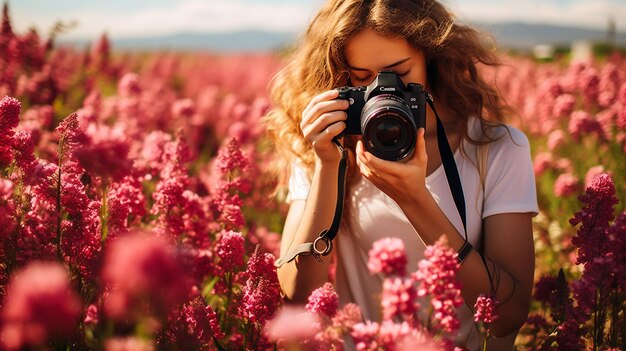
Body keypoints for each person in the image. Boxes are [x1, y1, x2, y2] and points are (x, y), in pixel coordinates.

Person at [263, 0, 538, 349]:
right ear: (342, 81)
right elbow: (299, 302)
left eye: (400, 72)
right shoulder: (326, 148)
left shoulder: (497, 147)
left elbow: (509, 315)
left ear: (432, 59)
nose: (384, 91)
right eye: (363, 79)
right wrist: (327, 167)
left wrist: (415, 200)